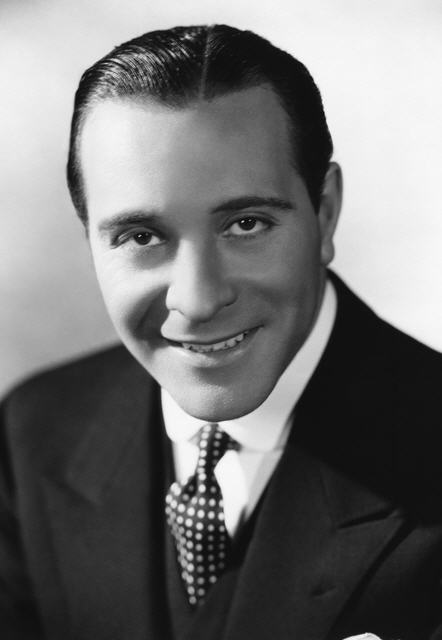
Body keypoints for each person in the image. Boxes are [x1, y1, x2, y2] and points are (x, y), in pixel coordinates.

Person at [1, 24, 441, 640]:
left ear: (325, 214)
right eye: (141, 236)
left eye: (246, 224)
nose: (198, 299)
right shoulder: (35, 434)